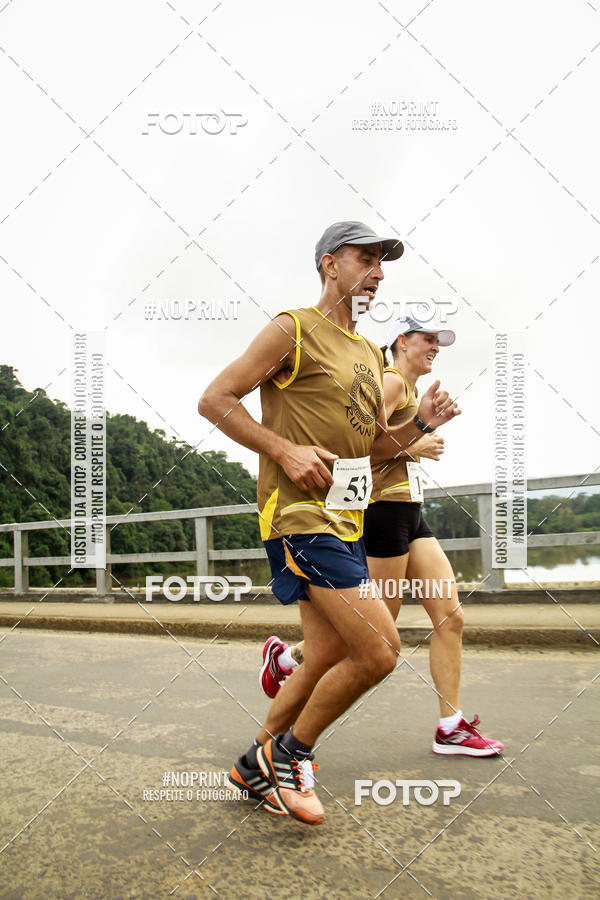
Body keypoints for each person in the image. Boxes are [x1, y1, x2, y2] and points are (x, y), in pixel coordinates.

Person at [198, 221, 460, 825]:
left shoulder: (368, 354)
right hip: (299, 517)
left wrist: (420, 424)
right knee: (381, 650)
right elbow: (215, 399)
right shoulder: (293, 329)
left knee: (323, 653)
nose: (377, 272)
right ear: (329, 264)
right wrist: (283, 449)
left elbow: (371, 448)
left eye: (382, 263)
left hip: (347, 519)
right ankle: (290, 754)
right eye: (365, 258)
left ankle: (254, 764)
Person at [260, 315, 503, 757]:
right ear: (402, 341)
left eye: (439, 340)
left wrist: (421, 429)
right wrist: (418, 440)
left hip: (412, 513)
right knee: (368, 638)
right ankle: (287, 689)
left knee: (450, 616)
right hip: (382, 515)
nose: (435, 347)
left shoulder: (410, 389)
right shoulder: (390, 382)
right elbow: (358, 449)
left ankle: (450, 726)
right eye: (428, 338)